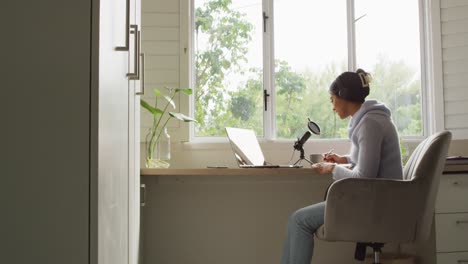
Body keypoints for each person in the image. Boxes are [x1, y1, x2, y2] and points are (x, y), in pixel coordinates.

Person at [280, 68, 403, 264]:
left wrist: (332, 169)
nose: (332, 107)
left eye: (332, 100)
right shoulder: (370, 119)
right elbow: (368, 164)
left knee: (298, 221)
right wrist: (343, 160)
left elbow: (364, 179)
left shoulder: (369, 124)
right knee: (296, 220)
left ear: (343, 96)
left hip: (376, 204)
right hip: (376, 199)